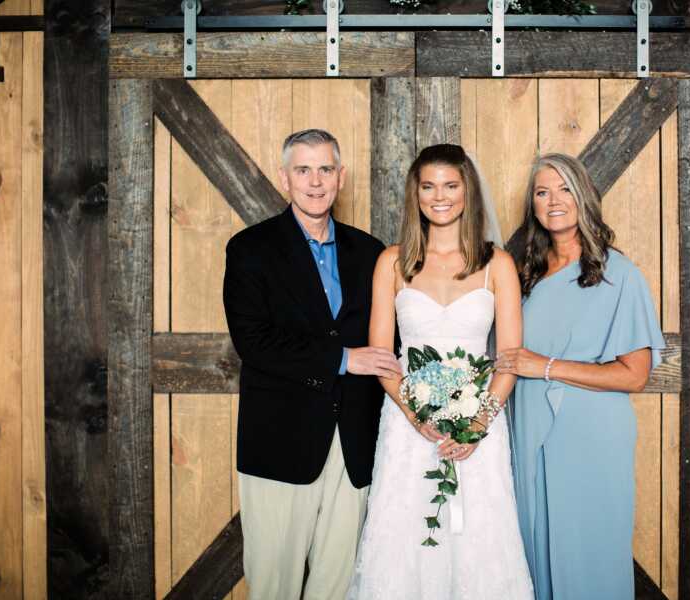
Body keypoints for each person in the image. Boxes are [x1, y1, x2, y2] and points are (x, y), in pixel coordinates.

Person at [347, 144, 533, 599]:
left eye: (450, 186)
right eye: (428, 187)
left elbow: (509, 358)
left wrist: (478, 423)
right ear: (416, 195)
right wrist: (413, 414)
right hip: (408, 424)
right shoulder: (392, 261)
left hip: (478, 427)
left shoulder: (497, 264)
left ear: (468, 192)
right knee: (405, 538)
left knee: (478, 541)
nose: (440, 196)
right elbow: (380, 355)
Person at [223, 128, 402, 600]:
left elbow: (392, 339)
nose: (315, 181)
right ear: (285, 178)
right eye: (303, 169)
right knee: (273, 583)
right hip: (281, 442)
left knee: (337, 582)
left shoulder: (371, 252)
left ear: (341, 177)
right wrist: (344, 358)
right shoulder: (250, 249)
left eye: (325, 169)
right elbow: (254, 341)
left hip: (354, 444)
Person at [496, 153, 666, 600]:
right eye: (542, 191)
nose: (553, 200)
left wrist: (545, 366)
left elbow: (635, 375)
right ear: (532, 205)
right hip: (529, 429)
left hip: (590, 437)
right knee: (533, 556)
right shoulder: (522, 274)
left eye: (564, 188)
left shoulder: (618, 275)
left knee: (588, 558)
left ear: (584, 197)